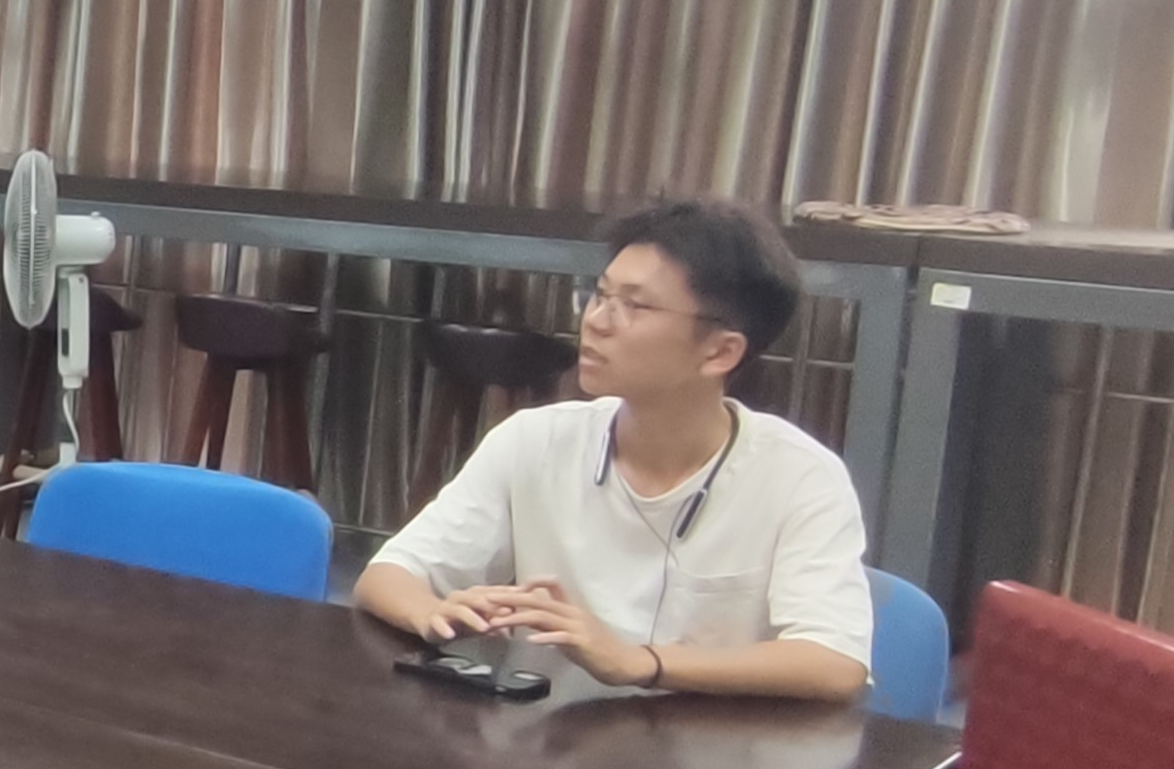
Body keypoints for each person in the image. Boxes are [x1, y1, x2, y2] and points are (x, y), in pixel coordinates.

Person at [354, 197, 875, 703]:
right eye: (599, 295)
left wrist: (640, 662)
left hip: (710, 752)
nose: (596, 321)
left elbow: (834, 662)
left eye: (634, 305)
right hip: (547, 741)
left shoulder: (800, 477)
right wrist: (432, 613)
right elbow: (388, 574)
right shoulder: (535, 440)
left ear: (720, 352)